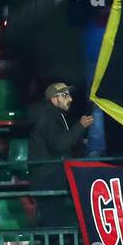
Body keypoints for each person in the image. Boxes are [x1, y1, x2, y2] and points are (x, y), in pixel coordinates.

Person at [69, 0, 123, 157]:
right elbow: (73, 18)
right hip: (95, 51)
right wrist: (87, 9)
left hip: (122, 52)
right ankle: (95, 148)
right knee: (96, 103)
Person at [28, 82, 93, 226]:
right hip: (48, 177)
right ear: (53, 99)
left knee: (55, 220)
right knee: (51, 221)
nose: (70, 99)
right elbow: (59, 145)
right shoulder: (48, 117)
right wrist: (80, 126)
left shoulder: (55, 115)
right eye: (64, 95)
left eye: (69, 95)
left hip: (53, 175)